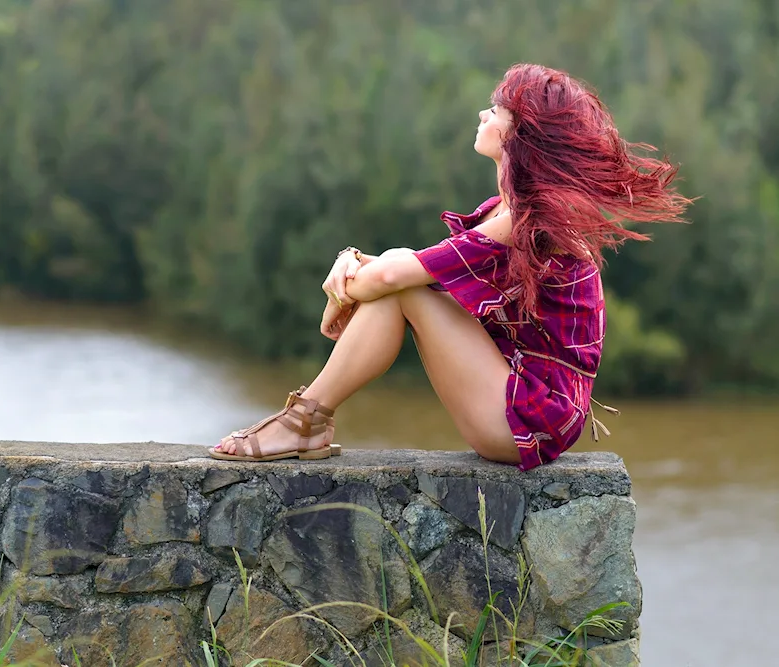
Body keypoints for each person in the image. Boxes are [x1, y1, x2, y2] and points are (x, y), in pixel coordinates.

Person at [209, 63, 691, 470]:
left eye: (495, 110)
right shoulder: (504, 211)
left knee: (404, 285)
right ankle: (307, 422)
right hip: (518, 399)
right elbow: (419, 270)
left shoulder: (529, 220)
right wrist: (352, 264)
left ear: (518, 133)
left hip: (529, 419)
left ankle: (304, 422)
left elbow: (401, 277)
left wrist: (350, 284)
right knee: (407, 279)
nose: (483, 114)